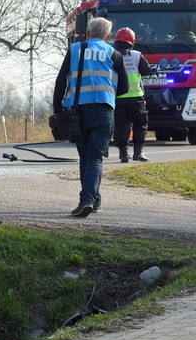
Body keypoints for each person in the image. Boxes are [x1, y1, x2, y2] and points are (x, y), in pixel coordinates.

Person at [53, 17, 129, 218]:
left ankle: (90, 200)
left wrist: (57, 108)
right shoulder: (114, 54)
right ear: (108, 36)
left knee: (86, 158)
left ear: (87, 33)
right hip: (103, 111)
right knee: (95, 158)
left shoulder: (75, 50)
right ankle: (91, 200)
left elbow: (61, 81)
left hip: (77, 112)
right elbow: (125, 88)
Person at [112, 27, 152, 163]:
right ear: (132, 41)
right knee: (140, 124)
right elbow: (147, 71)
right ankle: (138, 153)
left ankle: (123, 154)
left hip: (117, 98)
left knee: (121, 126)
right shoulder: (136, 55)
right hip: (136, 99)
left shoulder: (111, 55)